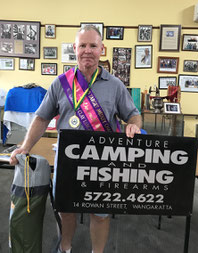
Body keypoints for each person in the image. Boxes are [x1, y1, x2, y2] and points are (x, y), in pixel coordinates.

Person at [10, 25, 142, 253]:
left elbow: (133, 114)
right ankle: (65, 247)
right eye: (83, 45)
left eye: (93, 45)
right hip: (68, 160)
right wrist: (25, 147)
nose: (87, 50)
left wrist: (134, 125)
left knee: (99, 213)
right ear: (75, 48)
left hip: (104, 162)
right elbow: (41, 118)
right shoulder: (60, 83)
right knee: (66, 209)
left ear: (102, 49)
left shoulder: (115, 85)